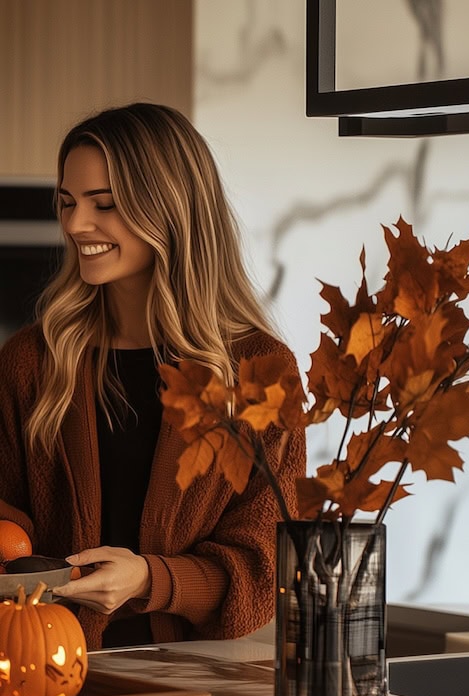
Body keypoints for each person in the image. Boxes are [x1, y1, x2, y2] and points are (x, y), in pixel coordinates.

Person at [0, 102, 306, 650]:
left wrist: (148, 578)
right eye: (68, 202)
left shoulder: (258, 373)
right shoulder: (32, 361)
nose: (74, 224)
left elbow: (264, 568)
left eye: (105, 204)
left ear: (169, 209)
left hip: (196, 682)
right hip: (40, 662)